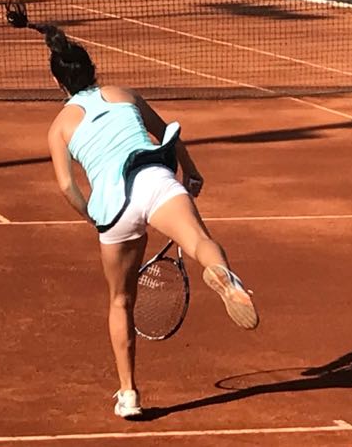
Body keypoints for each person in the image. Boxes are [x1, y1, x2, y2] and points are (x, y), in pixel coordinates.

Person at [36, 25, 259, 419]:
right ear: (93, 70)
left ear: (58, 82)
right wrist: (190, 171)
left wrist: (95, 216)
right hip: (155, 177)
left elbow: (67, 187)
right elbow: (166, 132)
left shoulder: (59, 127)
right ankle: (224, 275)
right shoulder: (127, 95)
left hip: (114, 206)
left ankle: (129, 395)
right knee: (199, 241)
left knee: (121, 301)